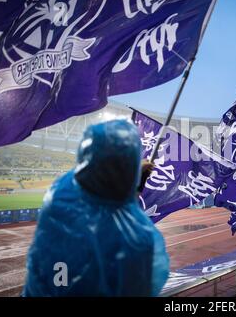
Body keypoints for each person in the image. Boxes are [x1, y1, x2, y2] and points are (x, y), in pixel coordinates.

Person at [24, 120, 169, 296]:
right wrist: (134, 179)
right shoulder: (137, 237)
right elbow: (146, 286)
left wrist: (132, 177)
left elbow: (99, 181)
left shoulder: (59, 195)